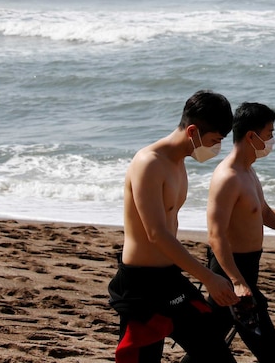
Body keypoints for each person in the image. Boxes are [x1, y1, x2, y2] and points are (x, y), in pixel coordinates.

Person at [184, 103, 275, 363]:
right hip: (232, 275)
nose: (272, 140)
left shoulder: (247, 171)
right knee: (271, 354)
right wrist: (237, 281)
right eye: (270, 133)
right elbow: (215, 235)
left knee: (206, 348)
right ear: (252, 136)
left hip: (245, 272)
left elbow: (264, 214)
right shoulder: (227, 177)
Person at [107, 90, 240, 363]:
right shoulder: (149, 163)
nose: (216, 149)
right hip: (140, 286)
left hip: (168, 278)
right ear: (192, 131)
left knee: (216, 354)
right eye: (214, 141)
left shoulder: (179, 162)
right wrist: (207, 277)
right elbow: (156, 233)